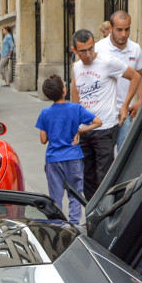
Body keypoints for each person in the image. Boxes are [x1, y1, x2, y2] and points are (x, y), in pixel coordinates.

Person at [70, 28, 142, 198]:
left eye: (91, 49)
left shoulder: (108, 62)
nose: (88, 54)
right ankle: (91, 213)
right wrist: (74, 124)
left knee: (104, 176)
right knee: (87, 176)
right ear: (74, 50)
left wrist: (125, 105)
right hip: (85, 130)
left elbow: (136, 76)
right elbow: (76, 96)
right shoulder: (77, 68)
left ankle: (107, 212)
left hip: (105, 128)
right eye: (83, 51)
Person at [35, 74, 100, 224]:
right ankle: (74, 224)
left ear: (47, 95)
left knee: (55, 196)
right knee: (75, 193)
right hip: (73, 156)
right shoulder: (76, 109)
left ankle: (57, 224)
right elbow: (98, 122)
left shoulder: (45, 113)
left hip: (54, 159)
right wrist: (79, 131)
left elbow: (43, 140)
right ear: (64, 90)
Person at [94, 11, 142, 151]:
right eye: (119, 30)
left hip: (125, 113)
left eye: (127, 29)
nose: (124, 34)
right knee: (105, 159)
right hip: (103, 115)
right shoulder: (98, 49)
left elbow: (140, 74)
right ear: (110, 28)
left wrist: (140, 100)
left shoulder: (135, 49)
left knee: (125, 156)